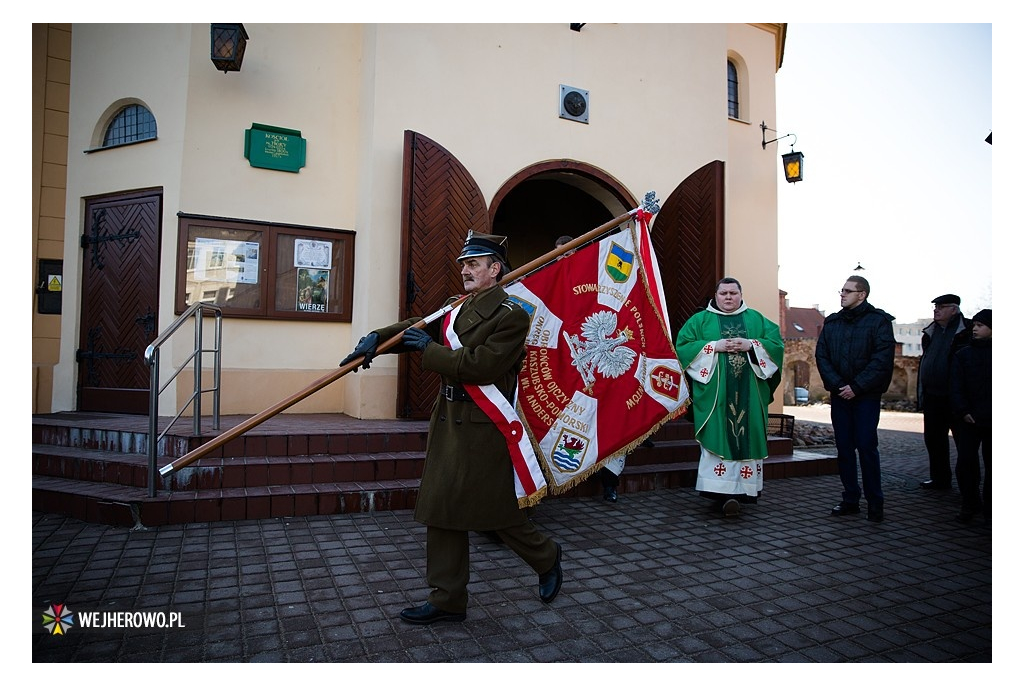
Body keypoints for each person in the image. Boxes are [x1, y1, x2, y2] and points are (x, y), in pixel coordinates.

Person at [339, 231, 562, 625]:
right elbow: (417, 325)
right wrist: (379, 337)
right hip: (449, 421)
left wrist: (428, 350)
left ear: (495, 270)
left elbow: (481, 366)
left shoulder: (512, 315)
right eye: (463, 264)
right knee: (441, 508)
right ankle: (447, 599)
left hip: (484, 425)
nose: (465, 271)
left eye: (474, 264)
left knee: (495, 512)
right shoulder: (455, 306)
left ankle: (546, 557)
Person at [674, 277, 783, 517]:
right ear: (716, 295)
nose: (728, 298)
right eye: (724, 293)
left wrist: (752, 344)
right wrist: (714, 347)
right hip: (717, 397)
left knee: (746, 438)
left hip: (750, 397)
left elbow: (776, 345)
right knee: (718, 436)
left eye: (733, 293)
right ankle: (719, 493)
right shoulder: (700, 320)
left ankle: (742, 493)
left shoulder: (756, 319)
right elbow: (682, 347)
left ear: (741, 295)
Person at [815, 276, 895, 523]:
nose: (842, 294)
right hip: (840, 396)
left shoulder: (879, 321)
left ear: (862, 295)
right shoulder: (833, 322)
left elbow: (882, 359)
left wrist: (857, 387)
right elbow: (822, 356)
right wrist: (840, 386)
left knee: (867, 447)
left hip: (866, 397)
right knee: (844, 449)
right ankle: (850, 499)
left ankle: (875, 503)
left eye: (848, 291)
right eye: (842, 290)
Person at [556, 233, 626, 503]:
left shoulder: (596, 277)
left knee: (610, 418)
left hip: (600, 366)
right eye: (559, 252)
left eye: (569, 251)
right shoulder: (549, 280)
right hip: (566, 358)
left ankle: (610, 482)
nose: (564, 257)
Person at [917, 294, 972, 490]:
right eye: (935, 306)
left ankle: (968, 487)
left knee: (964, 444)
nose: (936, 310)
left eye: (941, 306)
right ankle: (940, 479)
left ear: (954, 309)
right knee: (934, 440)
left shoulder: (967, 330)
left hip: (956, 398)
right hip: (933, 396)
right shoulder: (930, 332)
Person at [950, 309, 992, 523]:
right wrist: (963, 411)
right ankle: (970, 503)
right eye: (974, 324)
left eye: (980, 325)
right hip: (968, 419)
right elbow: (956, 386)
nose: (975, 329)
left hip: (991, 420)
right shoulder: (963, 354)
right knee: (966, 463)